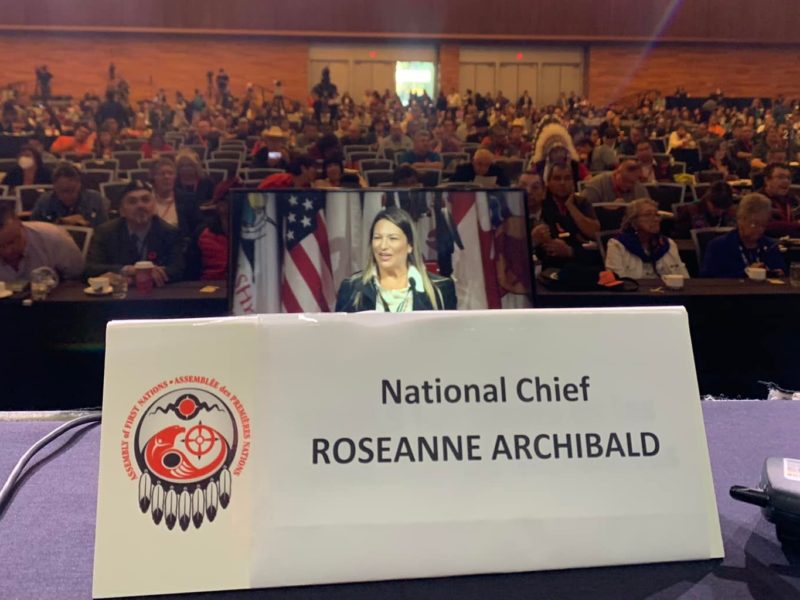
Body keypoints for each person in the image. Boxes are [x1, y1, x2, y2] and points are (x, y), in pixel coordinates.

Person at [335, 206, 456, 312]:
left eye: (392, 238)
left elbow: (449, 335)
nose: (383, 246)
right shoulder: (352, 288)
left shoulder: (441, 289)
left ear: (410, 245)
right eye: (377, 238)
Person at [85, 180, 184, 284]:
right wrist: (127, 270)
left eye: (146, 200)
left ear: (154, 207)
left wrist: (145, 273)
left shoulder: (170, 232)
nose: (140, 206)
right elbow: (90, 268)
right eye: (132, 201)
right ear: (122, 210)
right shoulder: (106, 232)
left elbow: (178, 270)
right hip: (118, 296)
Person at [531, 162, 600, 269]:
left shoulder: (582, 202)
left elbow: (594, 233)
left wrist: (571, 206)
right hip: (551, 265)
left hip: (581, 260)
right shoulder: (542, 204)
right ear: (548, 183)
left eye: (567, 178)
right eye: (557, 178)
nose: (563, 183)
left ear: (573, 182)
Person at [701, 193, 785, 278]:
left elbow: (782, 273)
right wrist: (746, 273)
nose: (760, 229)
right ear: (740, 220)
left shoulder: (771, 246)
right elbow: (708, 281)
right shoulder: (718, 247)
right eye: (754, 224)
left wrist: (777, 274)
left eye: (763, 225)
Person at [605, 199, 688, 279]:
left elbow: (684, 278)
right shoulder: (617, 245)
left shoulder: (667, 244)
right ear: (633, 221)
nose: (655, 219)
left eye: (656, 215)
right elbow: (617, 281)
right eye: (647, 215)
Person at [0, 203, 84, 281]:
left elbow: (77, 278)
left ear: (20, 224)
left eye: (12, 242)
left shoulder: (53, 238)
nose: (8, 251)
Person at [31, 162, 107, 228]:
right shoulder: (45, 202)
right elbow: (36, 230)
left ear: (79, 185)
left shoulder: (94, 199)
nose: (68, 195)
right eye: (63, 191)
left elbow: (103, 230)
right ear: (55, 187)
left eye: (72, 190)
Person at [149, 157, 202, 239]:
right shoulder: (145, 200)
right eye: (161, 174)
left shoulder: (188, 199)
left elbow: (196, 230)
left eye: (170, 173)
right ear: (153, 178)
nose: (166, 177)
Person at [581, 160, 649, 204]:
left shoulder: (638, 187)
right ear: (617, 173)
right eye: (625, 181)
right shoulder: (596, 184)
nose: (628, 185)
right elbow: (582, 210)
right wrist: (605, 209)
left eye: (632, 182)